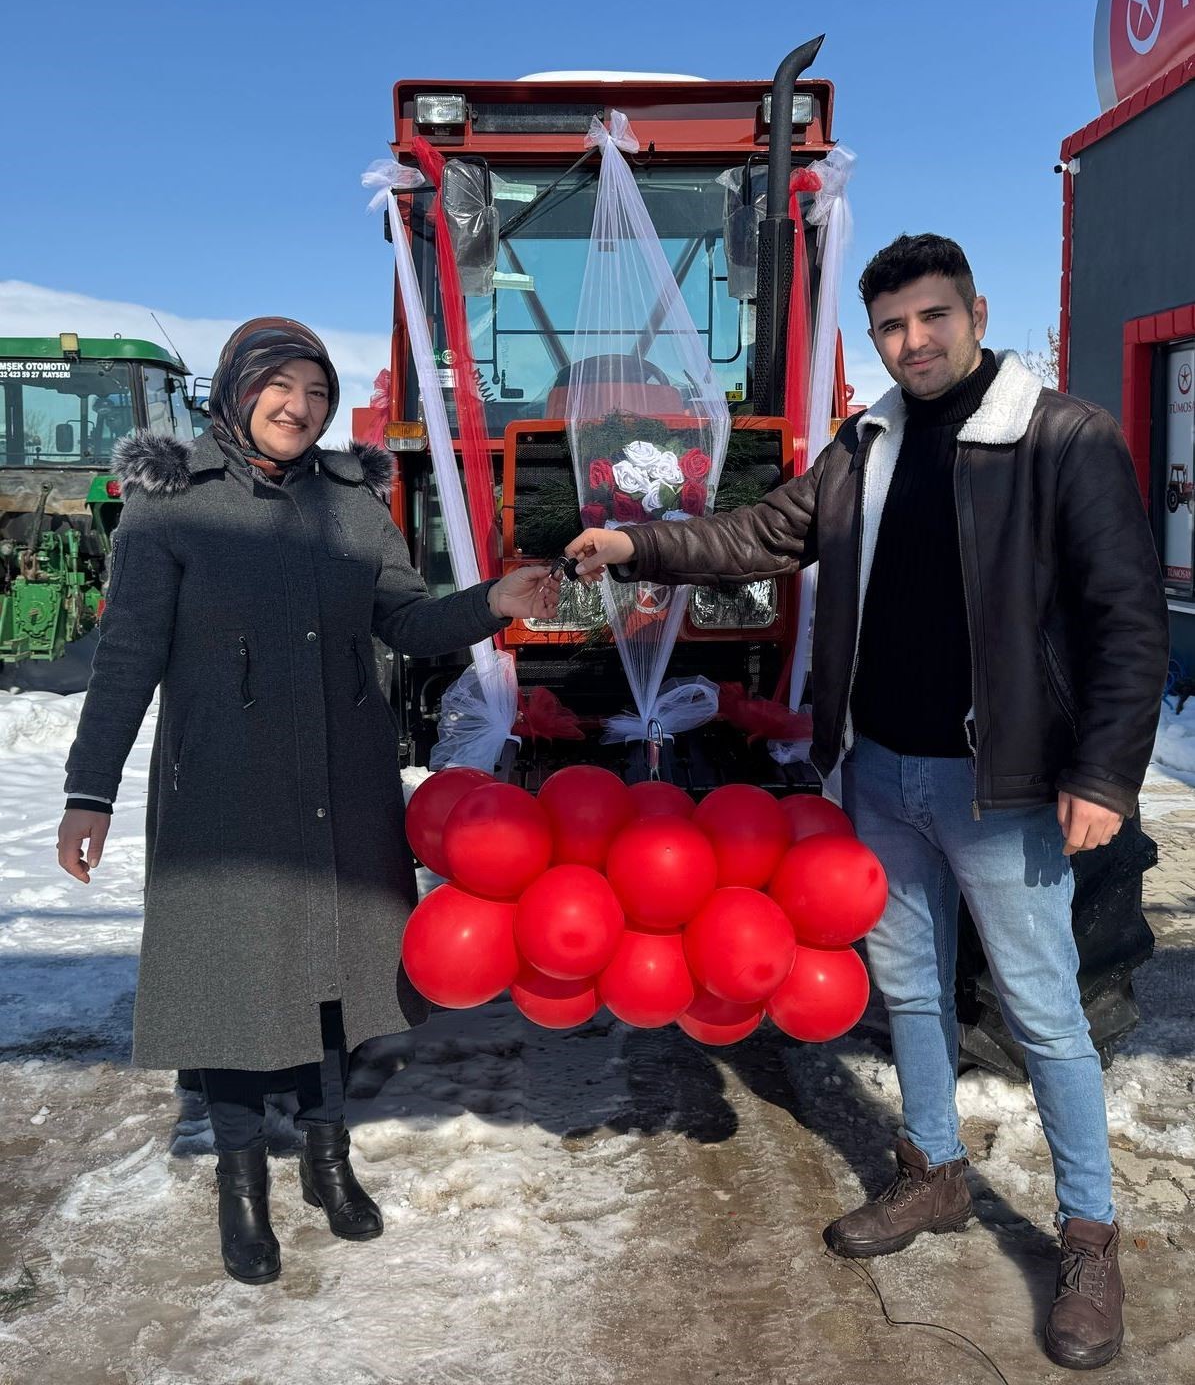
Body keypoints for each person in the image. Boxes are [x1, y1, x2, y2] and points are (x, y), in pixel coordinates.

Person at [565, 234, 1169, 1371]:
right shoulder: (868, 444)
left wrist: (1102, 775)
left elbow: (1127, 619)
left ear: (975, 311)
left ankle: (1088, 1239)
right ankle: (932, 1171)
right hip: (881, 770)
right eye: (892, 326)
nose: (913, 341)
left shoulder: (1062, 437)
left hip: (1002, 785)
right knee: (910, 993)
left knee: (1045, 1015)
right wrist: (637, 543)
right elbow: (760, 533)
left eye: (932, 317)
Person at [57, 317, 558, 1285]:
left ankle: (330, 1160)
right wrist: (90, 791)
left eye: (318, 391)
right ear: (237, 389)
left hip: (341, 776)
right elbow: (127, 658)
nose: (300, 406)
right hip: (222, 785)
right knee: (234, 984)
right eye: (280, 386)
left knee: (335, 972)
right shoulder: (172, 505)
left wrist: (492, 603)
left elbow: (408, 620)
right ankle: (241, 1184)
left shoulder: (351, 501)